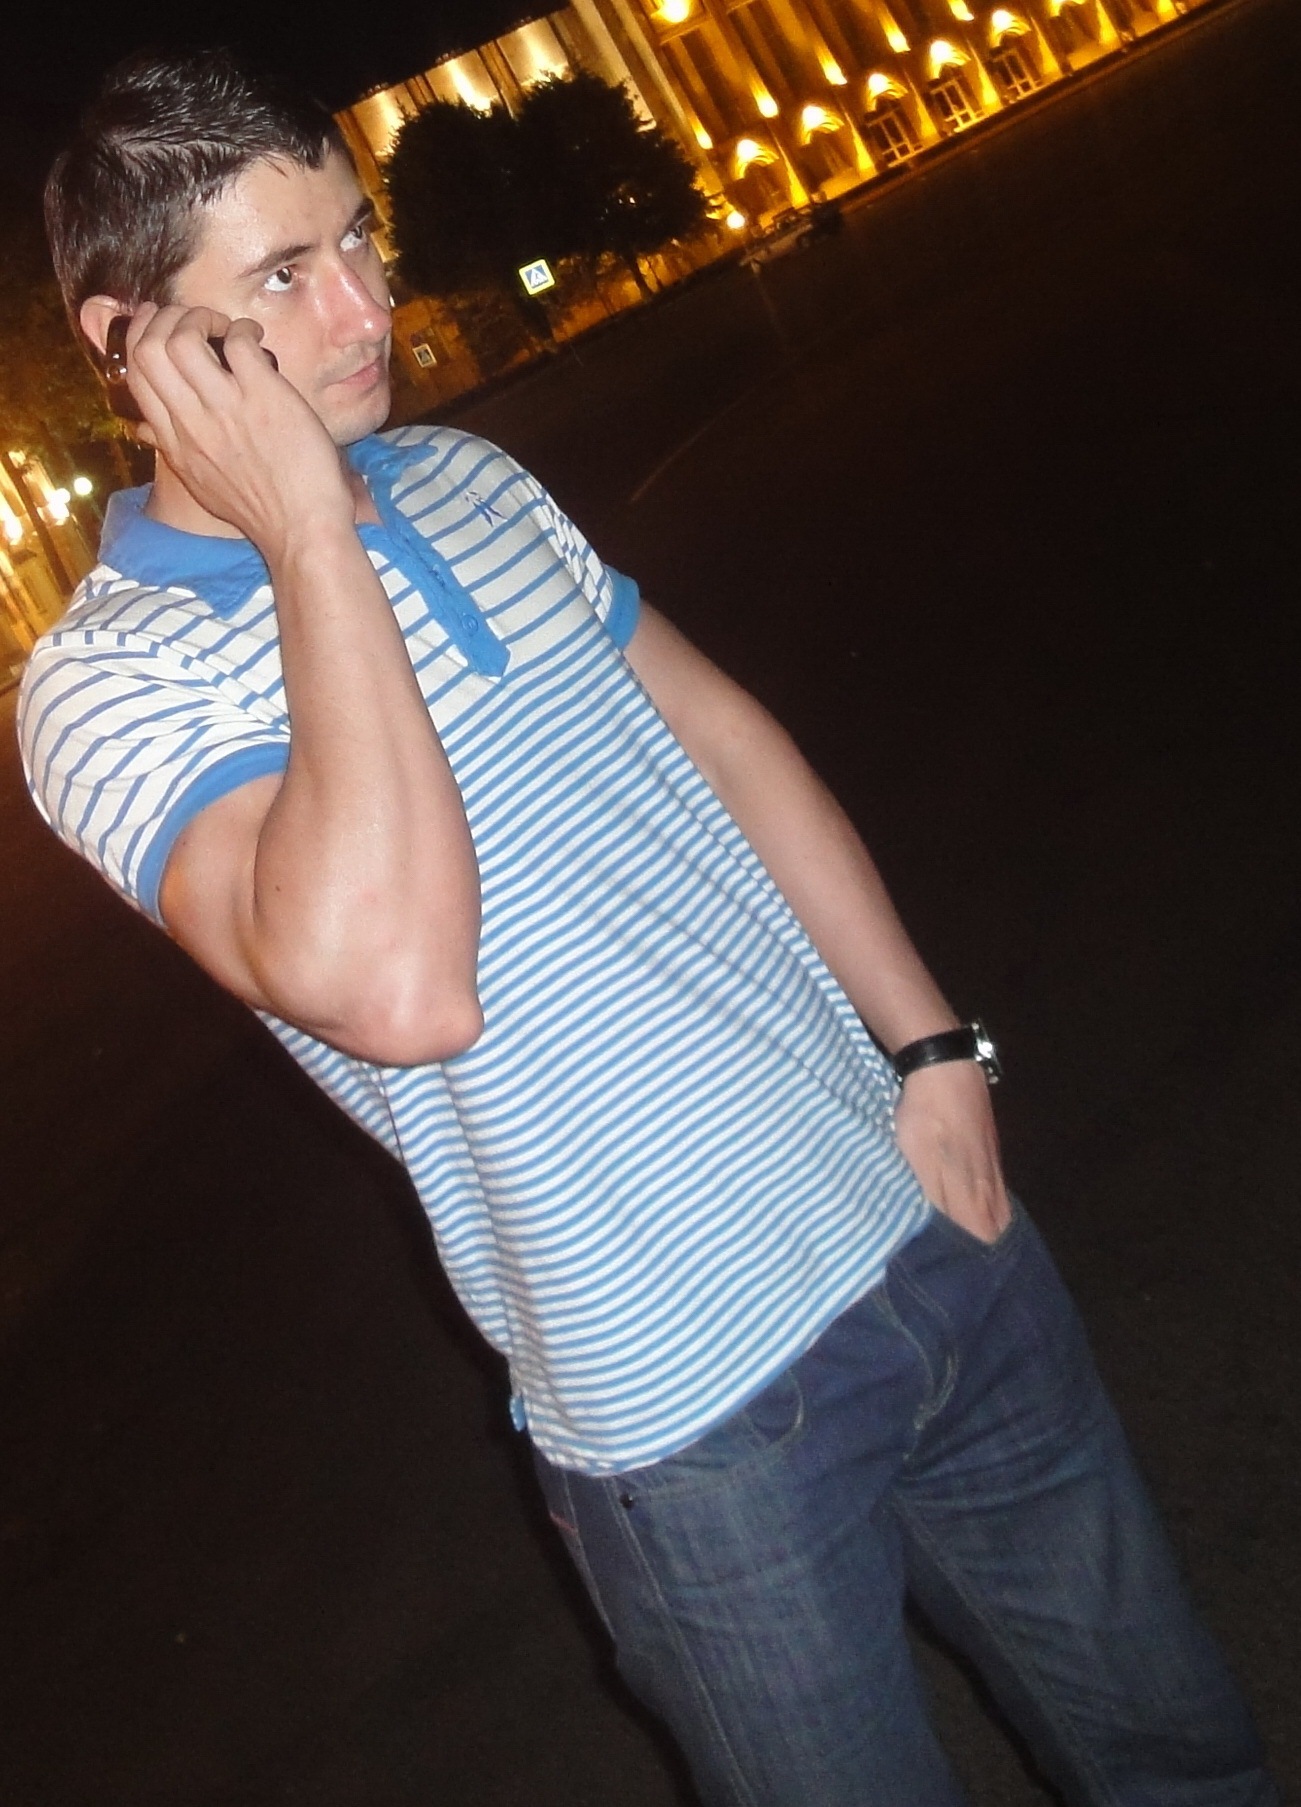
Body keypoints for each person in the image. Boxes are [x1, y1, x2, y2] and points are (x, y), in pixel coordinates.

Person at [20, 48, 1274, 1807]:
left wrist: (931, 1046)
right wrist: (309, 535)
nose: (367, 307)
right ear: (131, 342)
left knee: (1181, 1756)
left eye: (357, 238)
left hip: (925, 1232)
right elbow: (398, 988)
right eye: (283, 276)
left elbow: (729, 741)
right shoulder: (104, 689)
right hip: (692, 1421)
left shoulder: (466, 479)